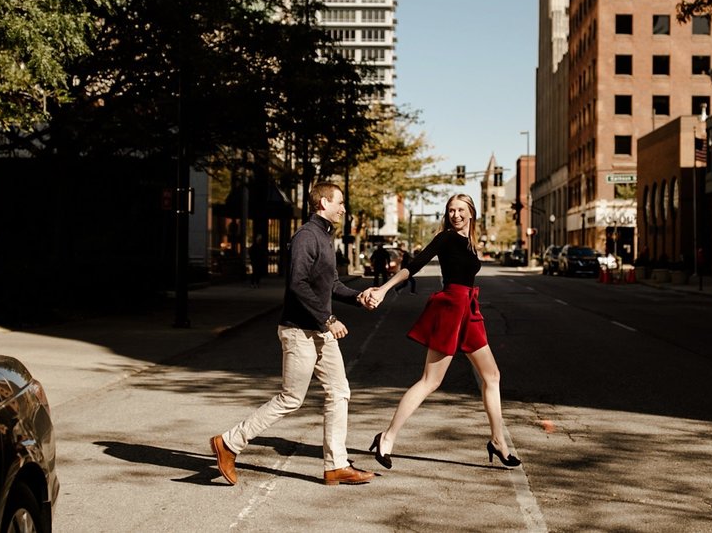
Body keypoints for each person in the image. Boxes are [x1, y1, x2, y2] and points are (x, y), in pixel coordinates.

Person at [209, 182, 379, 487]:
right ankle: (229, 442)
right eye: (340, 202)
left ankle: (336, 465)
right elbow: (297, 284)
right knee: (290, 398)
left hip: (318, 331)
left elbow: (331, 284)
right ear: (324, 202)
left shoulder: (325, 236)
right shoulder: (306, 236)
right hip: (300, 330)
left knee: (339, 392)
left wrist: (358, 297)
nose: (343, 208)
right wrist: (328, 318)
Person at [363, 193, 521, 471]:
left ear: (472, 213)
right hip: (450, 309)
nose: (455, 215)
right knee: (430, 381)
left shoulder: (471, 243)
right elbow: (412, 267)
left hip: (468, 311)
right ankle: (386, 437)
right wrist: (384, 289)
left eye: (460, 210)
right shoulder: (446, 238)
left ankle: (498, 440)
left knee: (492, 376)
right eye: (451, 210)